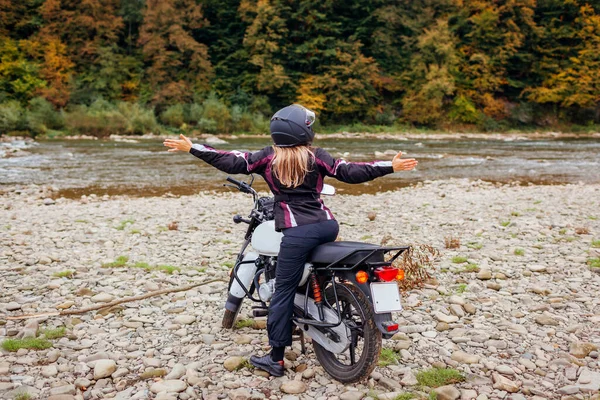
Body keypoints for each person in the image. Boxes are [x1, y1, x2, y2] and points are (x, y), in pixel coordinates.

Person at [163, 104, 418, 377]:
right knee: (307, 267)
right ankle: (317, 300)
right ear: (306, 131)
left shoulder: (267, 158)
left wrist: (193, 148)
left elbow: (231, 160)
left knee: (282, 292)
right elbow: (350, 171)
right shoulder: (317, 156)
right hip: (328, 226)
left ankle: (275, 359)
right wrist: (389, 166)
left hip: (297, 232)